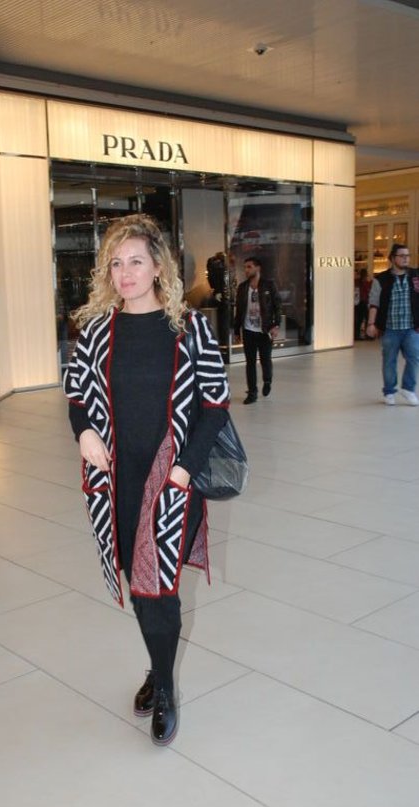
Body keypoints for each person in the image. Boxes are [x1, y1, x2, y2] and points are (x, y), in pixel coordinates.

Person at [63, 214, 230, 746]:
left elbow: (215, 407)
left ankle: (166, 690)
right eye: (116, 263)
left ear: (158, 266)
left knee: (160, 586)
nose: (126, 273)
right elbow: (77, 399)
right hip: (117, 479)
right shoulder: (96, 332)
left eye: (136, 261)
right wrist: (84, 433)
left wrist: (183, 469)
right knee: (138, 582)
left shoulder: (190, 328)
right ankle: (159, 669)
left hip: (172, 477)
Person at [366, 243, 419, 405]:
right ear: (392, 258)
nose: (406, 259)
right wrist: (371, 324)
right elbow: (374, 303)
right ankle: (389, 391)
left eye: (407, 256)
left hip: (411, 328)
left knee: (414, 358)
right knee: (389, 361)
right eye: (402, 256)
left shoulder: (416, 276)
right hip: (390, 329)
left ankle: (408, 389)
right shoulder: (381, 279)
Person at [233, 256, 282, 404]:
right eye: (245, 267)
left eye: (249, 267)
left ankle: (267, 381)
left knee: (265, 360)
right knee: (250, 362)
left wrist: (276, 325)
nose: (246, 270)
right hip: (248, 330)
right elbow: (239, 310)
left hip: (264, 330)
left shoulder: (269, 285)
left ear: (258, 268)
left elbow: (277, 306)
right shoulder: (242, 288)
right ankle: (252, 392)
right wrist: (236, 330)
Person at [354, 268, 372, 340]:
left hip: (360, 302)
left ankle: (358, 335)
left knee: (360, 319)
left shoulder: (357, 282)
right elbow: (367, 292)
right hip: (362, 302)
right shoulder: (363, 283)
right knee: (363, 318)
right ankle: (366, 334)